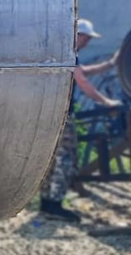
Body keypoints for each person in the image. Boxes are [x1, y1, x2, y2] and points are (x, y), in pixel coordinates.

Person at [40, 18, 122, 221]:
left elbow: (82, 72)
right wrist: (107, 102)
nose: (87, 42)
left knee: (53, 158)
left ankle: (47, 203)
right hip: (62, 117)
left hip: (51, 114)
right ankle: (54, 204)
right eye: (86, 38)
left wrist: (110, 64)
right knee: (66, 158)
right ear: (77, 35)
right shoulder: (69, 55)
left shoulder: (60, 53)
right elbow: (83, 82)